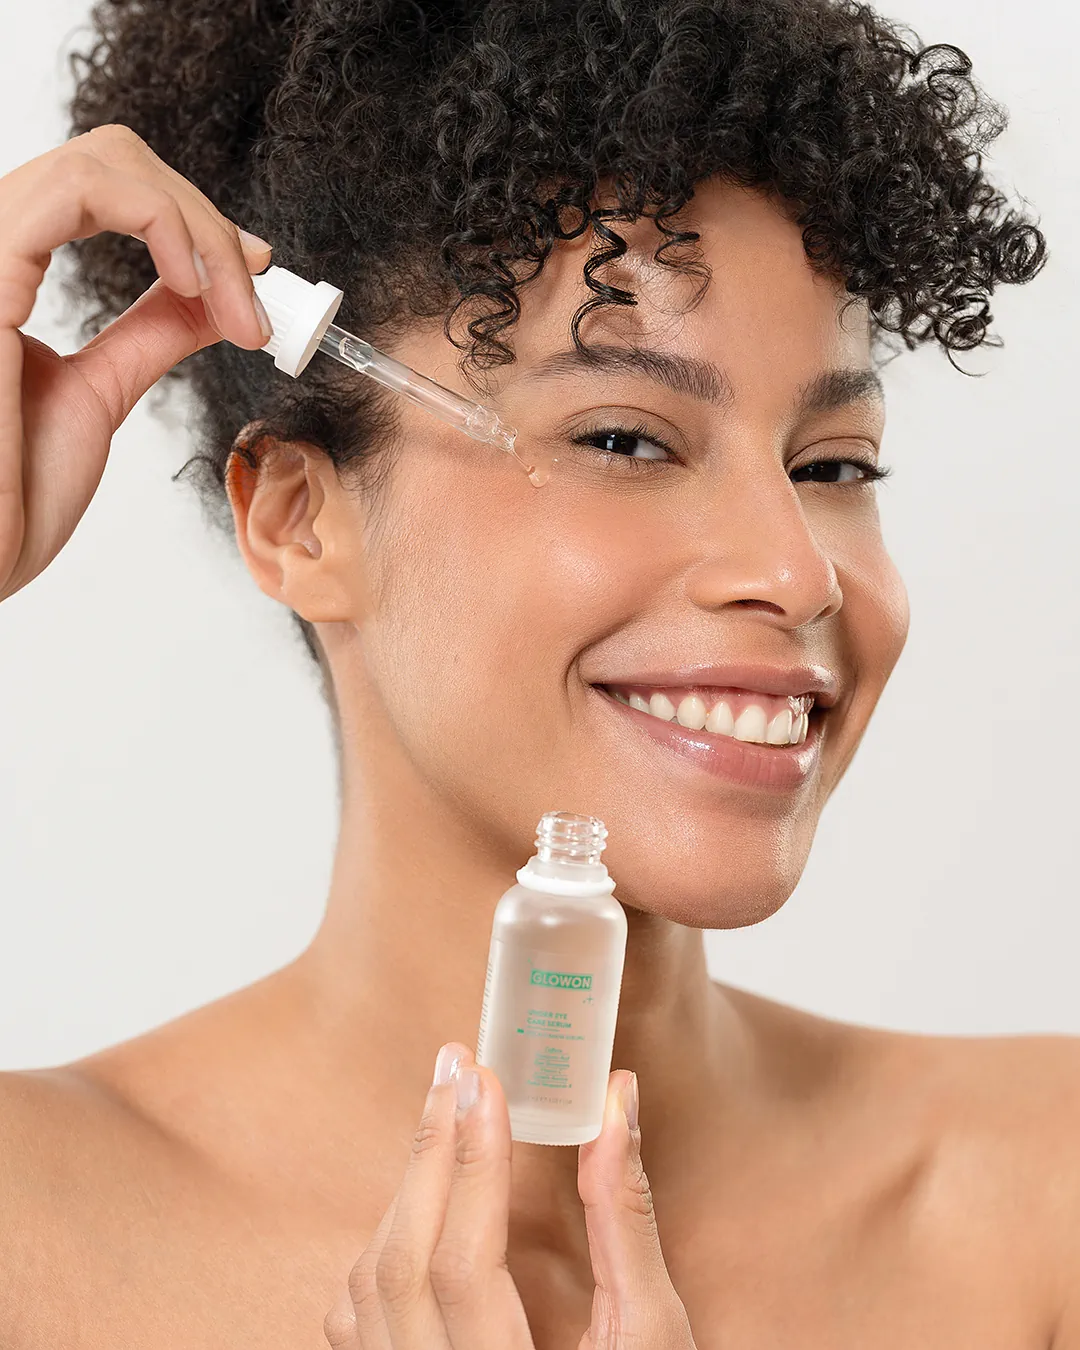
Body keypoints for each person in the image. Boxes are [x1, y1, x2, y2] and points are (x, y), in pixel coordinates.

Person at [1, 0, 1074, 1345]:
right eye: (626, 440)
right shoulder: (34, 1234)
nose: (797, 573)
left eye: (834, 465)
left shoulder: (1044, 1203)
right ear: (299, 521)